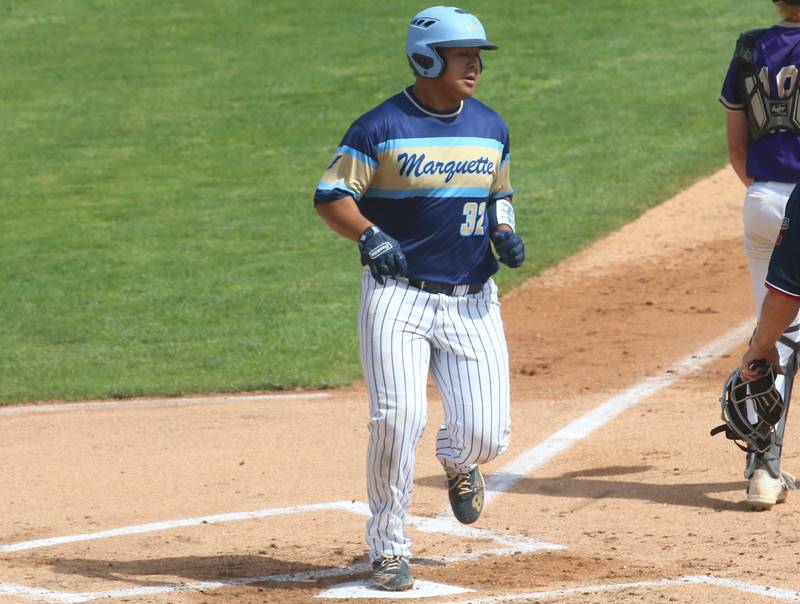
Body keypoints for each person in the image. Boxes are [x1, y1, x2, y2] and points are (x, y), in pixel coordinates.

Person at [313, 5, 525, 591]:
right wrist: (369, 234)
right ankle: (387, 546)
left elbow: (498, 192)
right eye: (465, 56)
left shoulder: (490, 125)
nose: (476, 66)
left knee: (488, 436)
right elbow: (330, 194)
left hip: (473, 300)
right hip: (397, 298)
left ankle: (459, 462)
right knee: (396, 419)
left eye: (478, 56)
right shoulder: (378, 128)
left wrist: (504, 228)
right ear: (427, 59)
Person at [719, 0, 800, 510]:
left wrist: (764, 194)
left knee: (773, 336)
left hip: (763, 199)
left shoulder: (749, 47)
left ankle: (763, 471)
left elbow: (736, 148)